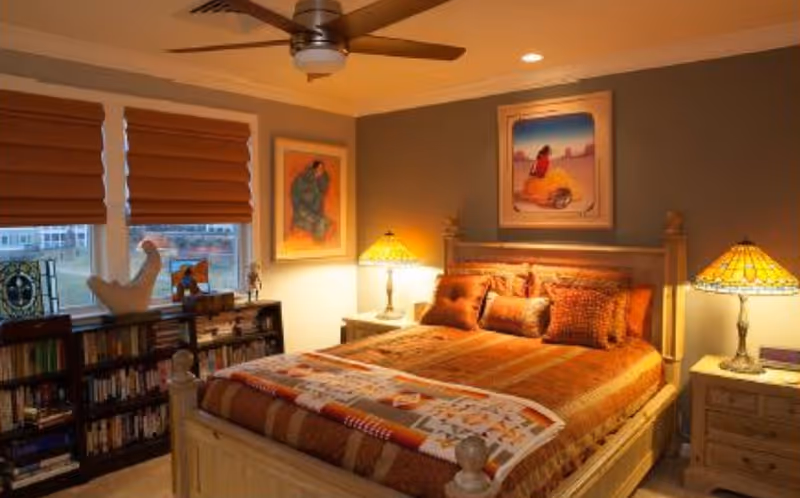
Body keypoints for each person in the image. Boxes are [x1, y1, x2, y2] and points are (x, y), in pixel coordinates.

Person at [290, 159, 332, 241]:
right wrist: (316, 218)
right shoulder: (301, 181)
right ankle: (319, 244)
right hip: (302, 216)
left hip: (316, 216)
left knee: (327, 224)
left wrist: (322, 177)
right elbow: (298, 206)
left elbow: (324, 188)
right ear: (312, 169)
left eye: (322, 170)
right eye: (319, 169)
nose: (321, 172)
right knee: (321, 224)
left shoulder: (319, 181)